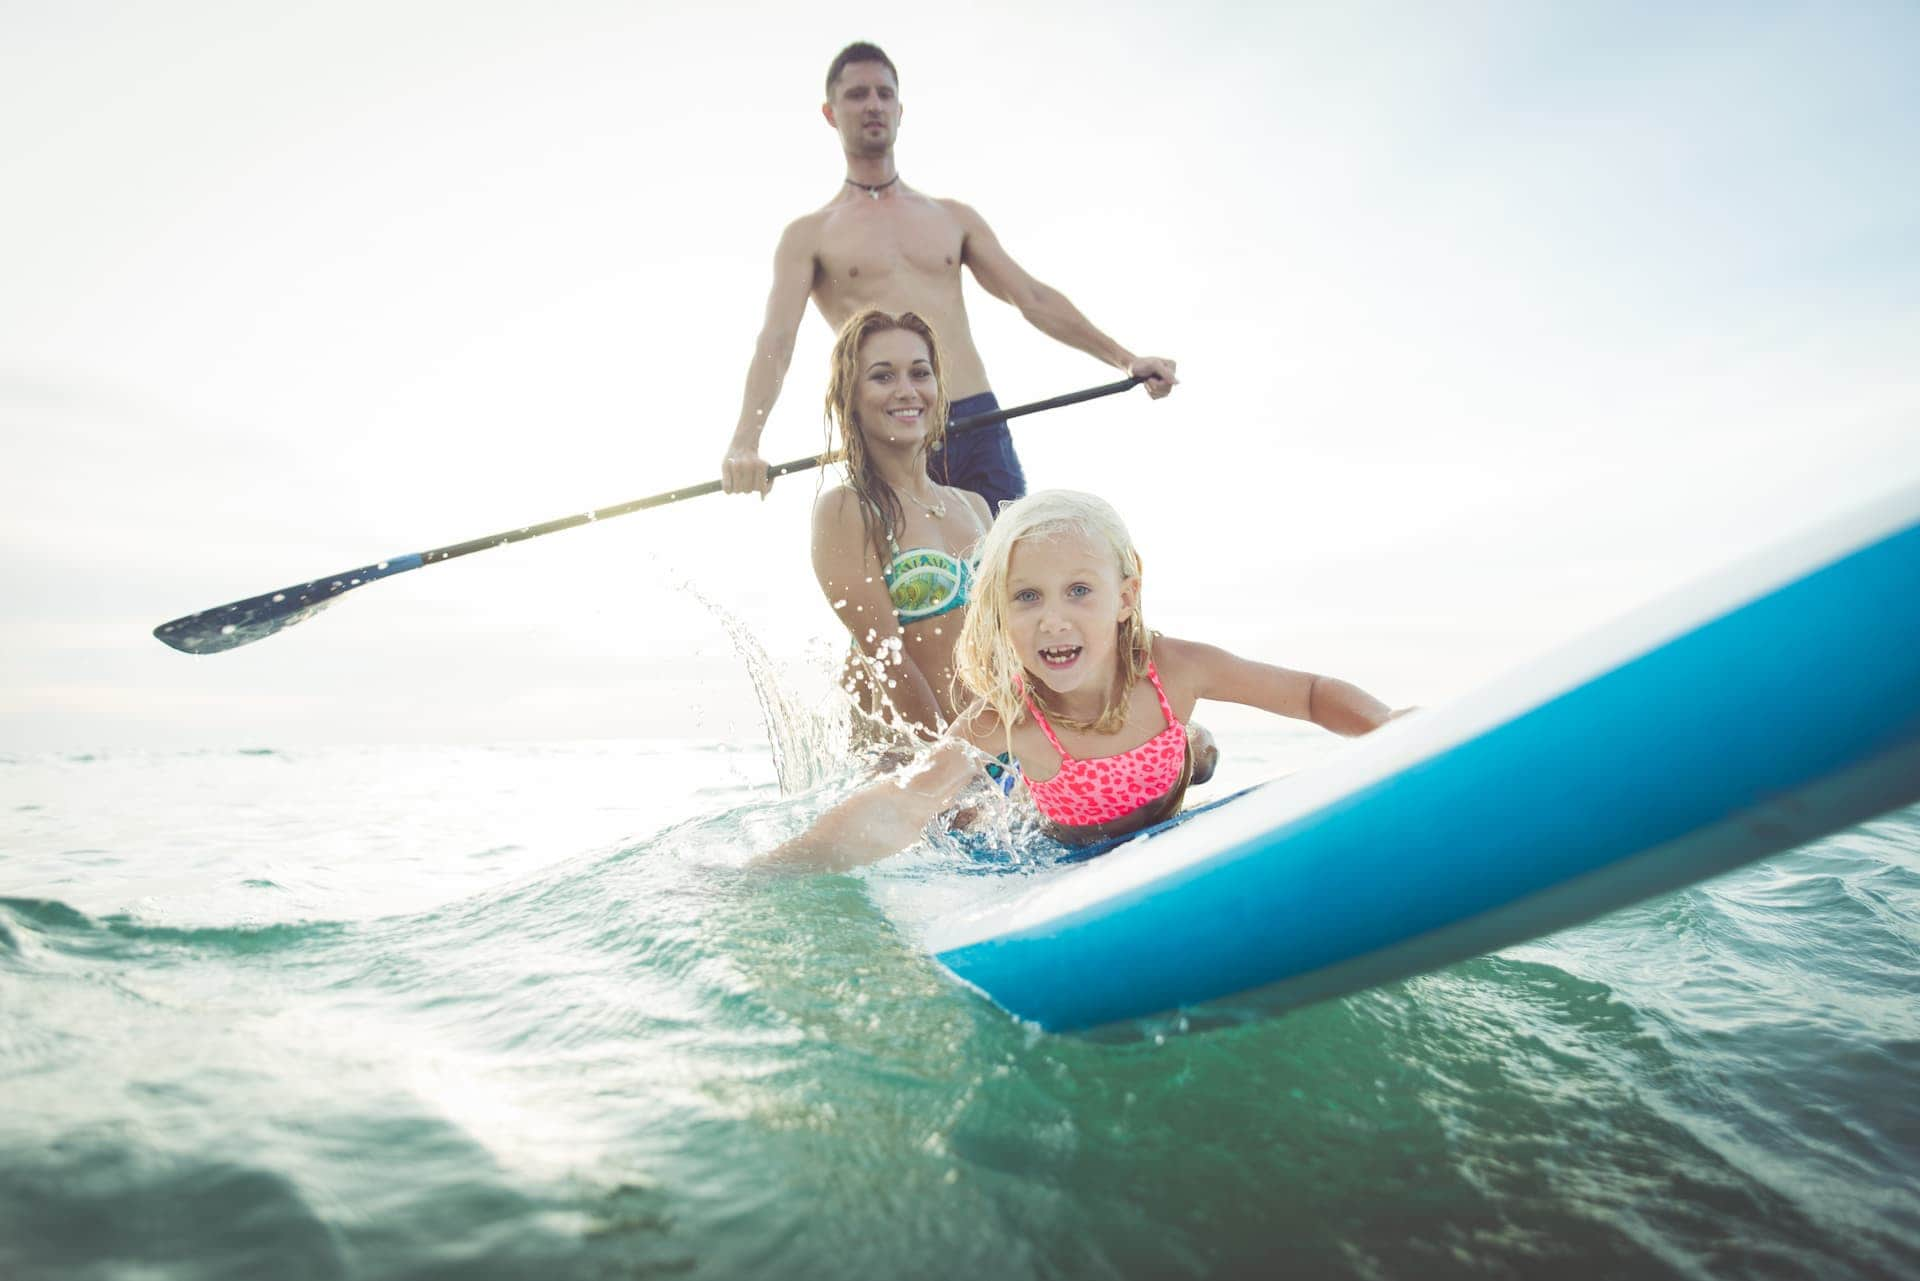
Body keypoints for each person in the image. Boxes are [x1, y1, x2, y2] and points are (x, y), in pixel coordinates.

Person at [764, 491, 1410, 871]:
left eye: (1079, 591)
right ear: (1000, 613)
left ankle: (1193, 741)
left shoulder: (1173, 666)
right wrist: (784, 865)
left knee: (1196, 752)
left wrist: (1387, 728)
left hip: (1161, 767)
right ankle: (1187, 741)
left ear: (1125, 596)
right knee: (966, 815)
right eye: (1027, 597)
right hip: (1061, 835)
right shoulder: (1009, 718)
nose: (1053, 619)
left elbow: (1309, 692)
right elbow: (901, 800)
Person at [721, 41, 1179, 513]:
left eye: (884, 93)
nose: (873, 104)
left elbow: (1031, 296)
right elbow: (777, 339)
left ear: (901, 109)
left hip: (976, 420)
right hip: (889, 431)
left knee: (1005, 575)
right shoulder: (809, 235)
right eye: (857, 94)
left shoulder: (952, 218)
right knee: (911, 584)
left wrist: (1125, 360)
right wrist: (745, 441)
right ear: (830, 112)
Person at [812, 309, 990, 737]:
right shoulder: (846, 510)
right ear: (850, 396)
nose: (907, 391)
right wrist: (952, 767)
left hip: (991, 752)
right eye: (883, 376)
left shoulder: (975, 506)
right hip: (907, 764)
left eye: (919, 373)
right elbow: (886, 656)